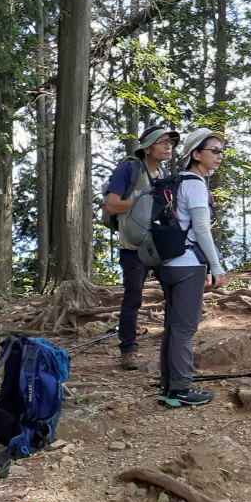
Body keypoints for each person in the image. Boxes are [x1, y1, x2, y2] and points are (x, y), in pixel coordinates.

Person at [156, 128, 227, 408]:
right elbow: (201, 229)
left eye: (221, 150)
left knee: (173, 327)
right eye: (214, 150)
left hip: (169, 263)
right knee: (184, 329)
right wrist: (217, 266)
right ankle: (181, 390)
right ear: (196, 155)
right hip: (188, 266)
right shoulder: (195, 184)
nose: (219, 155)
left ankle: (168, 386)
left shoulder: (178, 183)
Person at [104, 125, 179, 370]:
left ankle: (174, 347)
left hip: (160, 246)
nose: (169, 146)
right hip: (133, 246)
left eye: (171, 142)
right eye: (163, 142)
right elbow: (112, 206)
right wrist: (144, 199)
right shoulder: (129, 170)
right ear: (147, 148)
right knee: (133, 297)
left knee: (174, 293)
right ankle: (128, 350)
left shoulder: (164, 174)